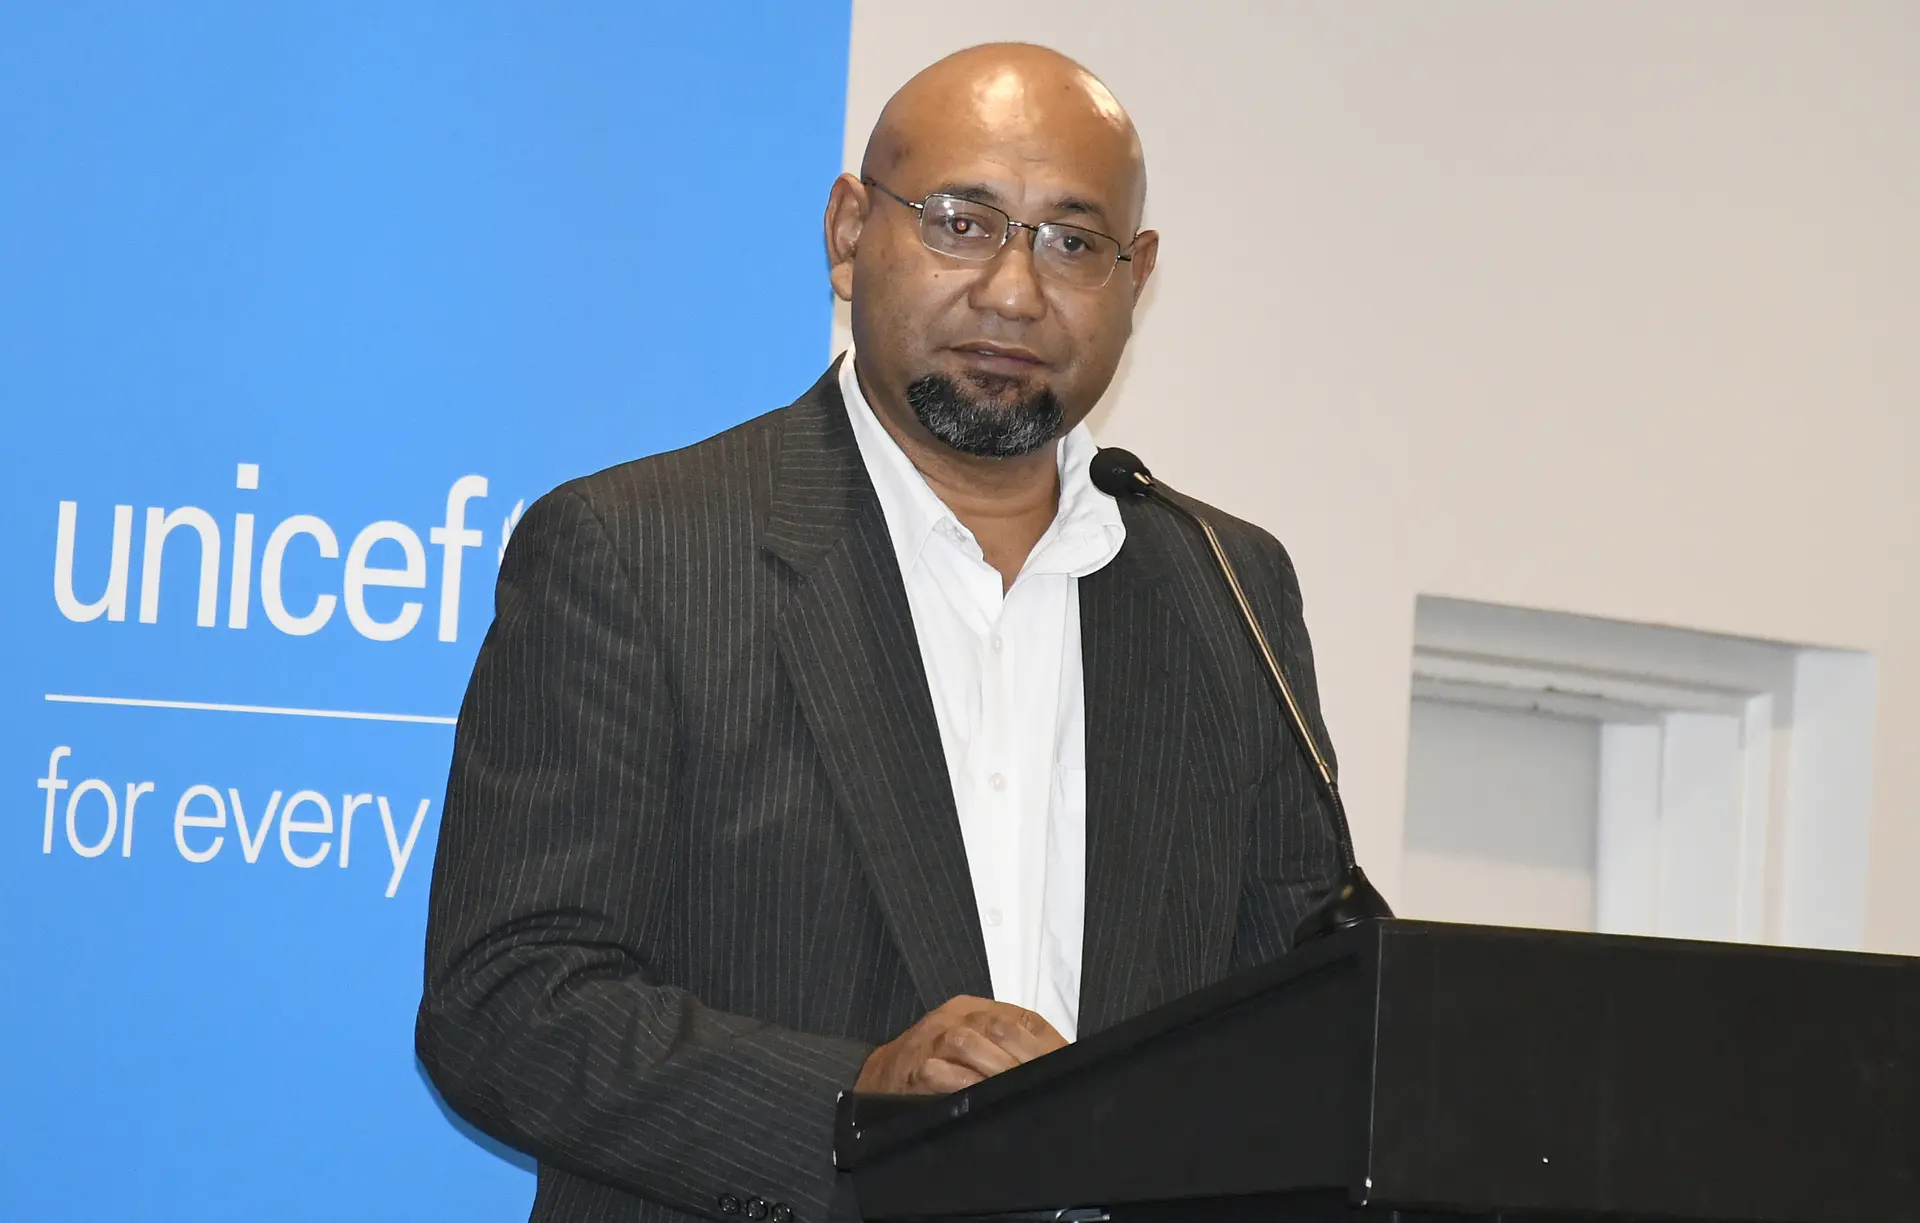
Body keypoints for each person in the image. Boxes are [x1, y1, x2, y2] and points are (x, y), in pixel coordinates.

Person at [417, 41, 1339, 1223]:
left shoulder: (1227, 588)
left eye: (1071, 241)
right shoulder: (638, 552)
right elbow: (507, 1000)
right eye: (962, 221)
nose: (1014, 290)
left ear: (1135, 273)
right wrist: (857, 1098)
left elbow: (1299, 1017)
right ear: (850, 232)